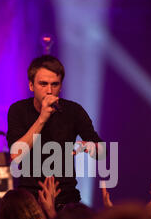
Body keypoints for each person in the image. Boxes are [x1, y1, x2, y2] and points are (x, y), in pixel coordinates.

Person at [6, 55, 103, 208]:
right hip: (30, 199)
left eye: (55, 84)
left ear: (61, 86)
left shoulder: (73, 110)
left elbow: (101, 152)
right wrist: (43, 117)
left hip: (66, 197)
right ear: (31, 85)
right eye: (43, 84)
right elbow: (16, 155)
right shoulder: (18, 110)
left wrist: (87, 147)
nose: (49, 91)